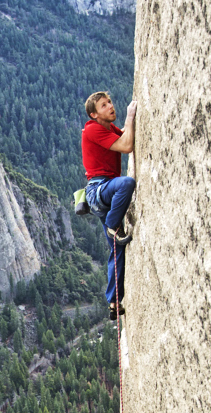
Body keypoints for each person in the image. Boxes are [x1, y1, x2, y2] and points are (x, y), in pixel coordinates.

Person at [82, 92, 137, 320]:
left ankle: (114, 302)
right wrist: (130, 116)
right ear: (94, 114)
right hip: (99, 190)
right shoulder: (93, 129)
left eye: (110, 103)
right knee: (127, 183)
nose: (110, 107)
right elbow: (127, 146)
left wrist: (127, 127)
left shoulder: (107, 128)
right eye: (104, 106)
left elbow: (123, 137)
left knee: (116, 248)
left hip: (104, 191)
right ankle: (113, 225)